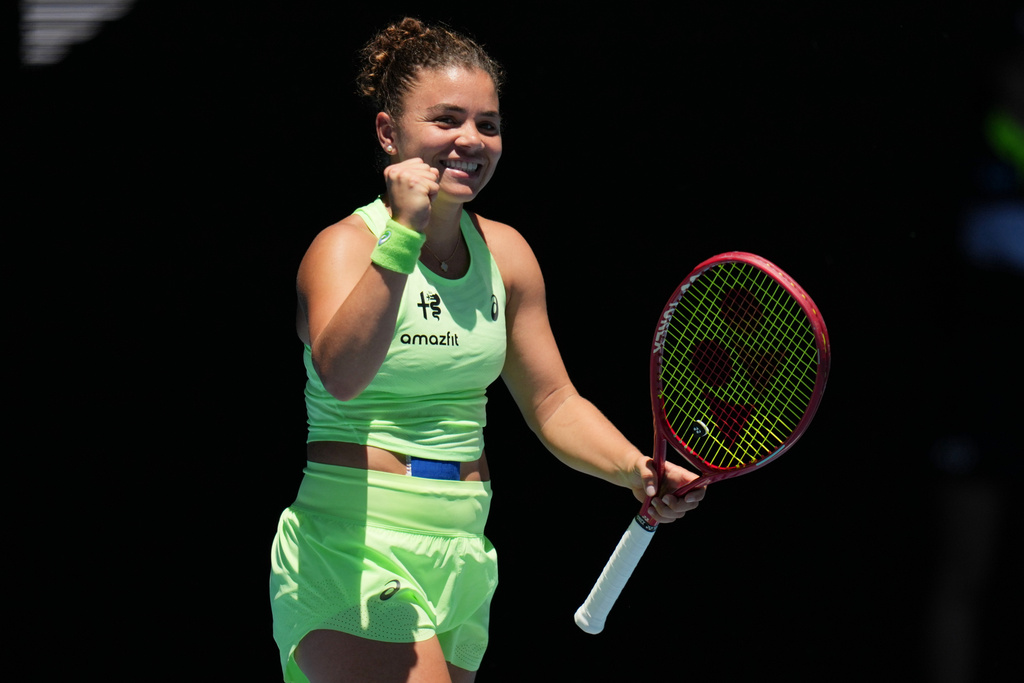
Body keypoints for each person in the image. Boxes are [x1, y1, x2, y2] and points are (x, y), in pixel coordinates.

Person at [269, 17, 705, 683]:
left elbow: (554, 401)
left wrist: (634, 470)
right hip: (355, 550)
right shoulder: (344, 248)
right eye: (447, 119)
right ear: (389, 133)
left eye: (488, 124)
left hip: (462, 553)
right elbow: (342, 376)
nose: (470, 140)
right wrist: (404, 235)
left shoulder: (506, 255)